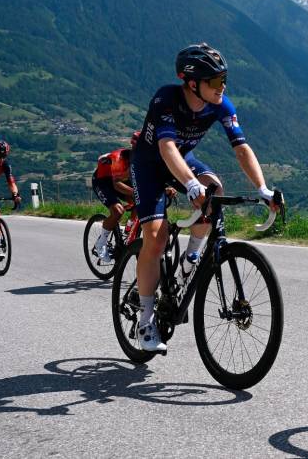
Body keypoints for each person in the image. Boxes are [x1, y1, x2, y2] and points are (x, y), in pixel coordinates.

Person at [130, 42, 280, 352]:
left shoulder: (220, 104)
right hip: (149, 165)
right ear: (192, 83)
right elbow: (166, 148)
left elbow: (241, 148)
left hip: (182, 160)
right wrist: (189, 184)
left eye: (224, 78)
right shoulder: (166, 99)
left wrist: (263, 188)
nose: (222, 86)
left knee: (216, 189)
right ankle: (144, 321)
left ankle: (191, 257)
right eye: (215, 81)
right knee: (156, 240)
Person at [90, 131, 140, 263]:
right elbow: (116, 185)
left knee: (139, 202)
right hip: (103, 181)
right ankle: (100, 243)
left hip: (121, 180)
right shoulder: (119, 158)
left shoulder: (143, 159)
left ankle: (128, 230)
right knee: (118, 211)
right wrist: (136, 192)